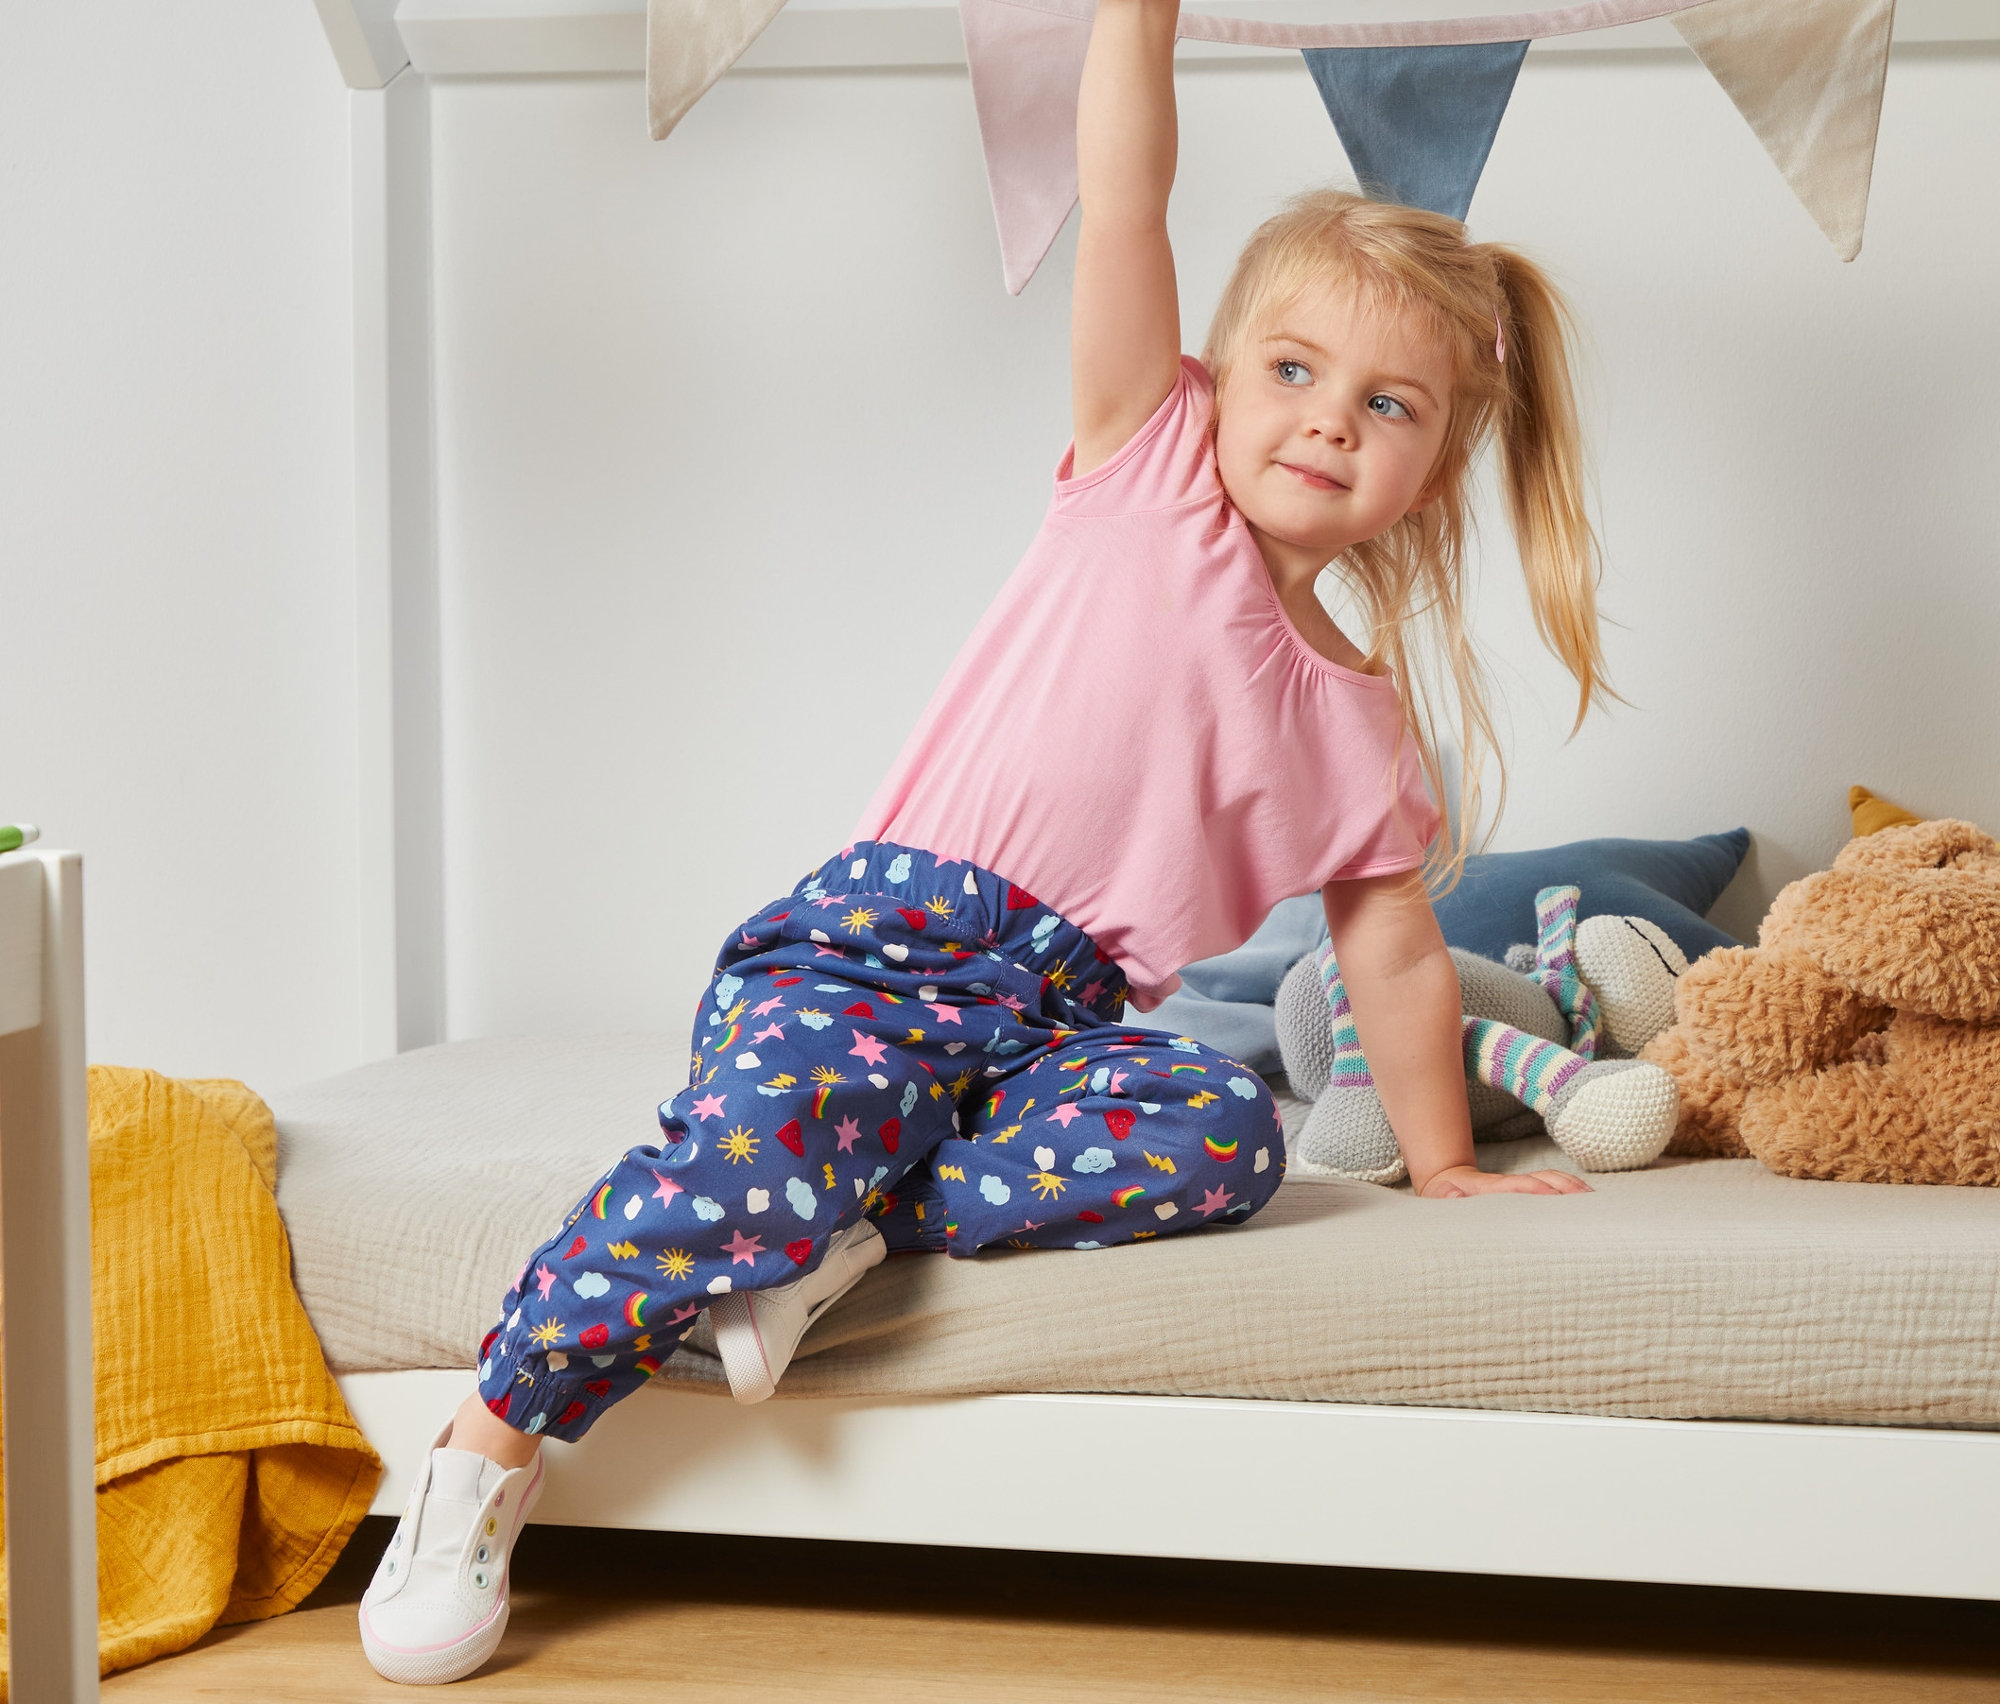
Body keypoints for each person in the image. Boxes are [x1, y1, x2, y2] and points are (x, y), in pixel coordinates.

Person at [358, 0, 1609, 1682]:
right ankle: (483, 1454)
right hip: (880, 952)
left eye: (1388, 404)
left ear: (1436, 465)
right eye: (1294, 372)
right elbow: (1128, 195)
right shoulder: (1144, 467)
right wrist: (1136, 20)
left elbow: (1384, 946)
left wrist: (1446, 1162)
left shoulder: (1364, 727)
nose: (1326, 419)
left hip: (1058, 1023)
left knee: (1224, 1129)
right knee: (754, 1158)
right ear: (1216, 383)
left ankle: (838, 1234)